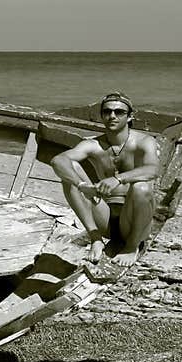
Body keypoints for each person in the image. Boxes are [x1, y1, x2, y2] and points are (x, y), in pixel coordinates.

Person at [50, 92, 159, 267]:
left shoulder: (144, 141)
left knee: (141, 188)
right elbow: (58, 160)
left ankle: (131, 248)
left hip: (133, 219)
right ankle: (95, 239)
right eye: (107, 112)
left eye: (119, 112)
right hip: (105, 217)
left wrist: (118, 179)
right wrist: (82, 185)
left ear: (130, 116)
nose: (112, 116)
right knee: (70, 174)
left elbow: (153, 169)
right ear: (102, 116)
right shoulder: (93, 145)